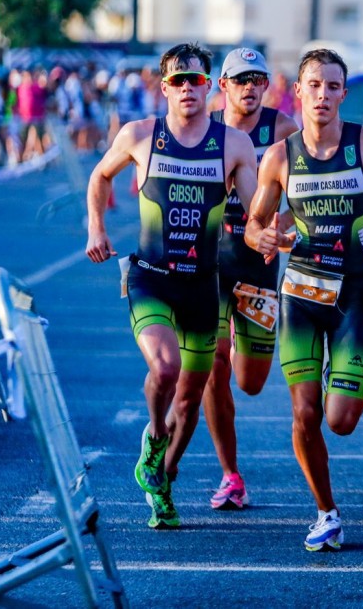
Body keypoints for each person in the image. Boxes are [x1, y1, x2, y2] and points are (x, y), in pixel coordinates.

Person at [243, 48, 363, 552]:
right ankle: (326, 512)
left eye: (332, 86)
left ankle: (341, 373)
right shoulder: (279, 157)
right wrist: (263, 239)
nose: (322, 95)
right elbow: (255, 222)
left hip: (353, 298)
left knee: (341, 420)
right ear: (297, 92)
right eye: (313, 85)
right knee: (304, 415)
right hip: (299, 296)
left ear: (344, 93)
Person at [85, 43, 259, 529]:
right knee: (166, 369)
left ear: (210, 87)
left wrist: (272, 232)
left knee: (189, 401)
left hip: (204, 287)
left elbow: (257, 213)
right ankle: (154, 437)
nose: (187, 88)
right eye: (178, 80)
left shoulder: (233, 145)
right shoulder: (141, 135)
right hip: (152, 279)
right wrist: (96, 227)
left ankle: (163, 478)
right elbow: (100, 177)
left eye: (196, 80)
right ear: (164, 88)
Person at [203, 48, 299, 510]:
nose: (250, 87)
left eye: (257, 79)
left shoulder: (282, 129)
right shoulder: (204, 129)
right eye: (240, 79)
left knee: (252, 382)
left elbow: (308, 185)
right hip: (212, 262)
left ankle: (242, 343)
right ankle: (231, 475)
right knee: (212, 368)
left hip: (259, 265)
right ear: (224, 86)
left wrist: (286, 225)